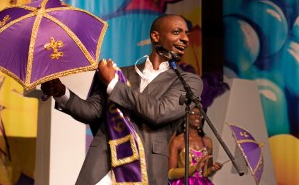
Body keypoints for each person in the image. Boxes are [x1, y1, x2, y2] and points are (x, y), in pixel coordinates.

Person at [41, 14, 203, 185]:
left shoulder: (188, 82)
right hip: (105, 165)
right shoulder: (122, 73)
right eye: (177, 32)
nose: (185, 39)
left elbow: (159, 112)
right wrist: (61, 93)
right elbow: (91, 112)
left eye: (187, 34)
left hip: (147, 168)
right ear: (156, 36)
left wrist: (113, 84)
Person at [168, 107, 222, 185]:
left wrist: (212, 169)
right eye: (193, 113)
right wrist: (194, 168)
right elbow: (170, 173)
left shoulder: (207, 141)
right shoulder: (177, 141)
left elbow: (206, 173)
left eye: (200, 114)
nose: (197, 116)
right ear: (185, 116)